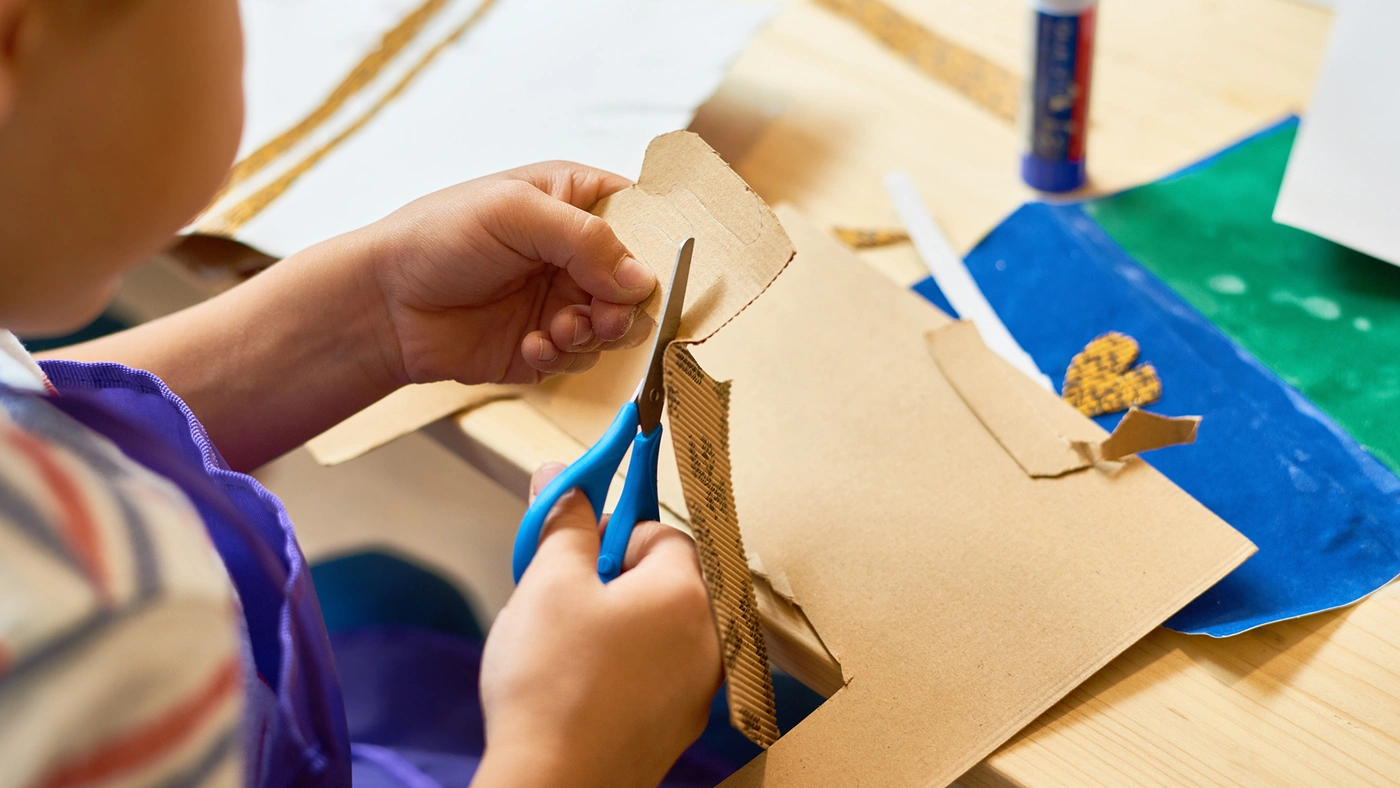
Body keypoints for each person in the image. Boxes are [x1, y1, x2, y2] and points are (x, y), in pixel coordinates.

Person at [0, 0, 723, 786]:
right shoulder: (102, 627)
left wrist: (373, 317)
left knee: (383, 590)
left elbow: (33, 414)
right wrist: (572, 754)